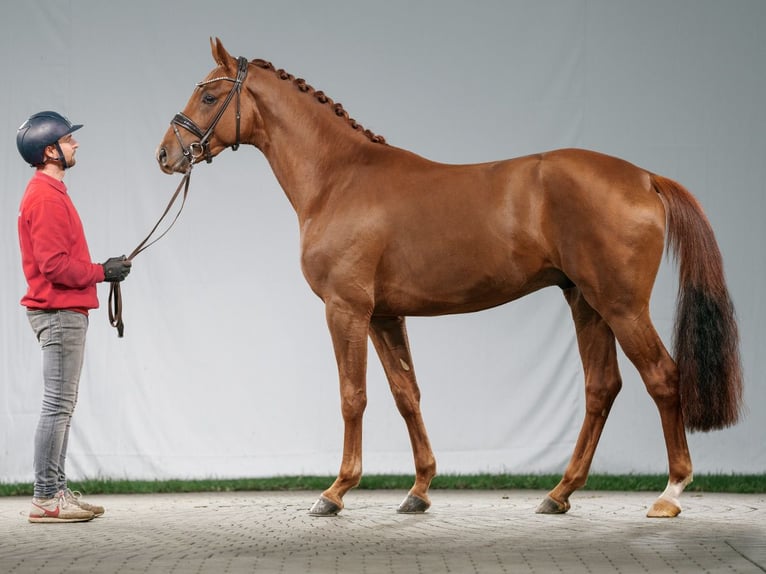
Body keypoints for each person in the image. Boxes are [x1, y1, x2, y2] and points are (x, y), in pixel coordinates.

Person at [16, 111, 132, 523]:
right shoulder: (46, 196)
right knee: (58, 406)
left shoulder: (51, 192)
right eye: (68, 140)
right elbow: (53, 265)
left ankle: (55, 490)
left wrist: (102, 268)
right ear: (50, 151)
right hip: (59, 311)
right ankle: (46, 498)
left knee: (61, 405)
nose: (75, 144)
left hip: (63, 310)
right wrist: (102, 272)